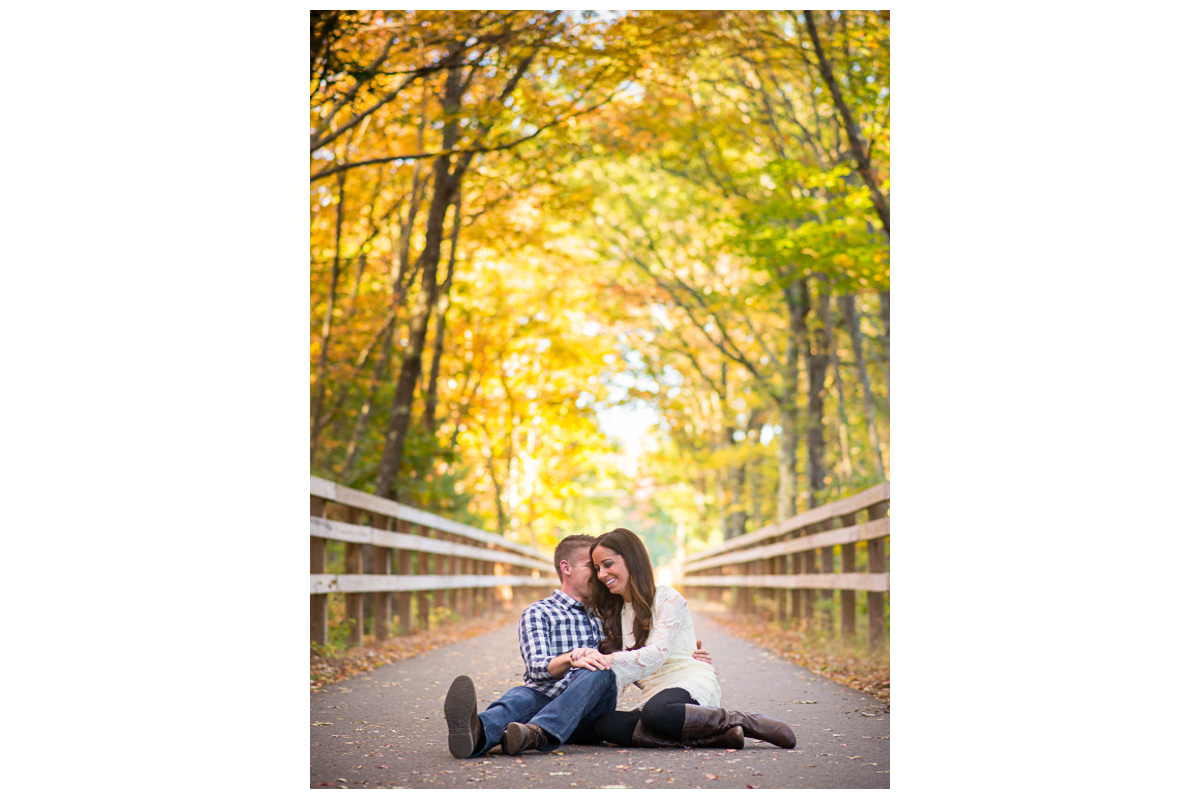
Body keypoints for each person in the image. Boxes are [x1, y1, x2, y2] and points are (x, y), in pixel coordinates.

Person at [443, 533, 711, 758]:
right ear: (566, 567)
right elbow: (536, 668)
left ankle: (538, 733)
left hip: (591, 710)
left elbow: (634, 661)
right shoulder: (539, 613)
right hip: (546, 697)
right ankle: (477, 734)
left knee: (599, 669)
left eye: (603, 567)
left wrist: (685, 659)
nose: (599, 575)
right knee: (520, 697)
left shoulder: (608, 613)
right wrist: (572, 658)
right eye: (592, 567)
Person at [582, 527, 796, 750]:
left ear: (632, 559)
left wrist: (606, 661)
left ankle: (740, 720)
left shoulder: (667, 598)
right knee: (606, 725)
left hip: (686, 682)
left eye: (608, 564)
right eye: (597, 568)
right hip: (655, 695)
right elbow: (621, 676)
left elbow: (656, 654)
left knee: (656, 713)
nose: (602, 574)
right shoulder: (612, 614)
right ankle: (717, 737)